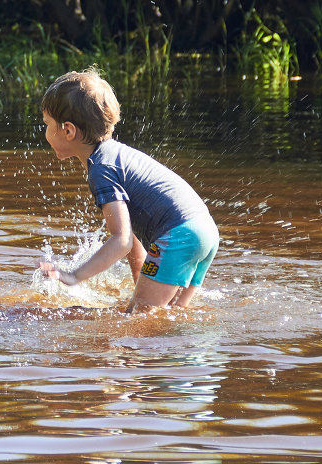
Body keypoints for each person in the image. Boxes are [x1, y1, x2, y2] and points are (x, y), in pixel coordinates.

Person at [37, 67, 219, 311]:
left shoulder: (100, 169)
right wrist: (140, 279)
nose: (45, 131)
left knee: (138, 321)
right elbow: (131, 230)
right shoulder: (116, 155)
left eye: (47, 124)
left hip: (179, 236)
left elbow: (121, 239)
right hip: (203, 230)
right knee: (172, 317)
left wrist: (73, 276)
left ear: (68, 130)